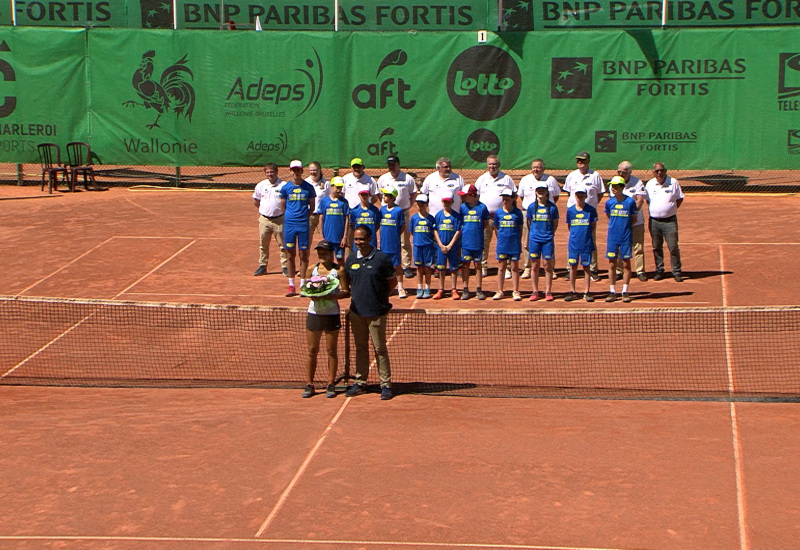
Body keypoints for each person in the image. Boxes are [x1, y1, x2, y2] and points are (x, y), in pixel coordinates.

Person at [342, 225, 397, 401]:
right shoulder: (350, 259)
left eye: (362, 239)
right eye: (356, 239)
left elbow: (392, 282)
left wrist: (380, 299)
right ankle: (360, 382)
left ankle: (385, 384)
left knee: (379, 349)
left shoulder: (382, 259)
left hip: (376, 312)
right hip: (356, 312)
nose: (359, 243)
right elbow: (349, 283)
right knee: (360, 348)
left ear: (370, 239)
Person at [303, 241, 348, 399]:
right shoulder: (311, 269)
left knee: (331, 350)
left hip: (331, 314)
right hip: (314, 313)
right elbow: (306, 289)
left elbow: (346, 291)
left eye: (325, 252)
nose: (322, 255)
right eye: (319, 252)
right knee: (311, 350)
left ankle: (330, 384)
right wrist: (312, 295)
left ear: (331, 253)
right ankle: (309, 384)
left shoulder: (339, 270)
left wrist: (332, 296)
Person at [562, 151, 605, 281]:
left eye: (582, 160)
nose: (580, 162)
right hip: (574, 213)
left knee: (590, 239)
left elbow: (600, 193)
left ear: (588, 161)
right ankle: (571, 268)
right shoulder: (572, 175)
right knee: (573, 239)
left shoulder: (595, 175)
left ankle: (592, 269)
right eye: (578, 160)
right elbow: (568, 193)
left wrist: (590, 206)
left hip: (588, 213)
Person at [517, 159, 561, 279]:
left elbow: (555, 196)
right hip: (528, 213)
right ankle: (528, 267)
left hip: (547, 214)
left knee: (548, 240)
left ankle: (550, 269)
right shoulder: (525, 180)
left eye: (539, 167)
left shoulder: (551, 180)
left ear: (543, 168)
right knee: (527, 241)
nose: (536, 169)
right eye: (534, 167)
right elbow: (521, 196)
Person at [279, 160, 317, 297]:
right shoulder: (285, 188)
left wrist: (302, 217)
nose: (296, 172)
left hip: (303, 225)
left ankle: (302, 284)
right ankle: (291, 285)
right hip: (289, 225)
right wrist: (290, 217)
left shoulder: (308, 188)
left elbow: (311, 208)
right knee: (290, 255)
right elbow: (283, 207)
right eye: (293, 170)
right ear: (290, 171)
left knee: (303, 254)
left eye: (298, 170)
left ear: (302, 171)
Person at [474, 155, 516, 277]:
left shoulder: (506, 179)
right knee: (483, 242)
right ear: (487, 165)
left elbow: (514, 197)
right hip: (486, 218)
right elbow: (475, 197)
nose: (492, 166)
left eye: (494, 164)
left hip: (502, 218)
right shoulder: (481, 179)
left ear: (499, 165)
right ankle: (482, 266)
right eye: (490, 164)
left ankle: (507, 268)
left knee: (504, 242)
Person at [377, 155, 416, 279]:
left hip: (402, 212)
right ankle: (387, 264)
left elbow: (413, 193)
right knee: (386, 239)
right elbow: (379, 194)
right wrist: (386, 206)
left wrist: (407, 206)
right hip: (387, 214)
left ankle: (406, 266)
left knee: (404, 240)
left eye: (393, 164)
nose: (391, 167)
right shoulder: (383, 178)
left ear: (398, 164)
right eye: (389, 164)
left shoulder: (407, 178)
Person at [644, 162, 685, 282]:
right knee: (657, 247)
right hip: (654, 221)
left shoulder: (673, 182)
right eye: (657, 171)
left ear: (665, 171)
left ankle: (676, 271)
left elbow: (679, 198)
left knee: (673, 247)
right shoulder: (650, 184)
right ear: (653, 172)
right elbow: (647, 200)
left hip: (670, 221)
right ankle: (659, 270)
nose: (659, 173)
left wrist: (669, 210)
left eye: (661, 170)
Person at [604, 176, 637, 303]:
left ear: (622, 187)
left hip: (626, 237)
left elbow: (633, 219)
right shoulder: (609, 202)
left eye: (616, 186)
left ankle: (625, 291)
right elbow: (608, 216)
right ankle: (612, 291)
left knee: (626, 263)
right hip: (612, 238)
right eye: (612, 186)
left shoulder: (630, 202)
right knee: (612, 264)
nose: (614, 188)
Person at [252, 163, 288, 277]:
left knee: (283, 245)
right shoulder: (261, 185)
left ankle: (285, 267)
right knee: (263, 244)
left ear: (277, 172)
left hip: (280, 220)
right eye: (267, 172)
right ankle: (263, 266)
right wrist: (265, 211)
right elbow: (256, 200)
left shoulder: (284, 185)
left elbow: (288, 202)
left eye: (272, 172)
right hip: (264, 220)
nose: (270, 174)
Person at [526, 183, 559, 301]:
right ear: (535, 192)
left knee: (547, 266)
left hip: (547, 240)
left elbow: (555, 224)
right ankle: (535, 291)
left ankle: (548, 291)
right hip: (534, 240)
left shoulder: (553, 208)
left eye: (543, 191)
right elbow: (529, 222)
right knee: (534, 266)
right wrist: (534, 234)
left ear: (547, 193)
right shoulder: (531, 207)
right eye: (538, 190)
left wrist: (549, 234)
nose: (540, 193)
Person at [564, 186, 598, 302]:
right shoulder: (571, 210)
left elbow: (593, 227)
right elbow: (569, 226)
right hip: (573, 244)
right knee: (573, 267)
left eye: (582, 195)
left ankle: (586, 291)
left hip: (586, 244)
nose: (580, 197)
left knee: (586, 267)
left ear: (586, 196)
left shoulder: (591, 210)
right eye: (578, 195)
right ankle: (572, 291)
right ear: (575, 196)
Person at [458, 184, 490, 300]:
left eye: (465, 195)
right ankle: (465, 289)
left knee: (478, 265)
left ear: (472, 195)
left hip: (478, 242)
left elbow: (485, 223)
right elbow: (461, 223)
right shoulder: (462, 208)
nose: (463, 198)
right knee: (465, 266)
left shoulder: (482, 208)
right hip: (466, 242)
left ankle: (478, 289)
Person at [616, 161, 647, 281]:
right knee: (620, 247)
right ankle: (619, 271)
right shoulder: (615, 182)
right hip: (620, 222)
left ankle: (640, 271)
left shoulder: (637, 182)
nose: (621, 174)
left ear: (630, 172)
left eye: (624, 172)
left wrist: (633, 215)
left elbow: (640, 200)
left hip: (636, 221)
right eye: (619, 171)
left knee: (638, 247)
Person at [492, 189, 524, 301]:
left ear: (513, 199)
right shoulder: (498, 213)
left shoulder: (518, 213)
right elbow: (496, 228)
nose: (505, 200)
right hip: (502, 244)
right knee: (501, 267)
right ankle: (500, 291)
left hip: (514, 244)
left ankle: (515, 291)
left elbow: (520, 229)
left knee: (515, 267)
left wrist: (516, 240)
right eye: (503, 198)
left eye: (507, 198)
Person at [342, 157, 379, 250]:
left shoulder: (370, 180)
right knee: (349, 242)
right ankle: (351, 261)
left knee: (366, 238)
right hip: (350, 213)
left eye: (358, 167)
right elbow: (342, 195)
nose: (356, 169)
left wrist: (365, 206)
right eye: (354, 167)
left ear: (363, 167)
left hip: (366, 214)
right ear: (351, 168)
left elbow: (374, 197)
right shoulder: (345, 179)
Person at [379, 186, 407, 298]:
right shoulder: (382, 210)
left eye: (386, 195)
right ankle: (385, 287)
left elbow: (402, 226)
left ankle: (400, 288)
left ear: (392, 197)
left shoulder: (398, 211)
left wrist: (395, 236)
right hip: (383, 244)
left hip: (394, 244)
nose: (383, 197)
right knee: (384, 267)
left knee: (397, 266)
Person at [433, 196, 462, 299]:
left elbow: (458, 231)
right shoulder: (438, 215)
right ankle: (440, 289)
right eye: (444, 202)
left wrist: (450, 245)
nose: (446, 204)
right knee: (441, 268)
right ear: (442, 202)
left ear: (452, 202)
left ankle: (454, 289)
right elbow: (435, 230)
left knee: (453, 268)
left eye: (448, 202)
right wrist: (440, 244)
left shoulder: (456, 216)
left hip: (452, 247)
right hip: (441, 246)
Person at [316, 176, 349, 260]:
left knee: (340, 260)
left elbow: (346, 219)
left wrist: (344, 237)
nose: (339, 190)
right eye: (337, 187)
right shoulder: (324, 201)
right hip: (327, 237)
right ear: (332, 186)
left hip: (339, 237)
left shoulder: (344, 202)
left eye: (340, 187)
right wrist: (321, 234)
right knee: (328, 260)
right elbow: (321, 217)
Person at [409, 194, 436, 299]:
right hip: (417, 246)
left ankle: (427, 288)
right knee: (419, 268)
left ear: (426, 205)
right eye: (418, 204)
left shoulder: (431, 218)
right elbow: (412, 231)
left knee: (428, 269)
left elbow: (433, 232)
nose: (420, 206)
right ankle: (419, 288)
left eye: (422, 204)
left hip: (428, 246)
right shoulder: (414, 218)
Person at [306, 161, 329, 238]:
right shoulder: (305, 183)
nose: (313, 172)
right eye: (311, 170)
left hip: (322, 216)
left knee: (324, 238)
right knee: (306, 241)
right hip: (309, 215)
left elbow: (329, 198)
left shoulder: (326, 183)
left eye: (315, 170)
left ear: (320, 170)